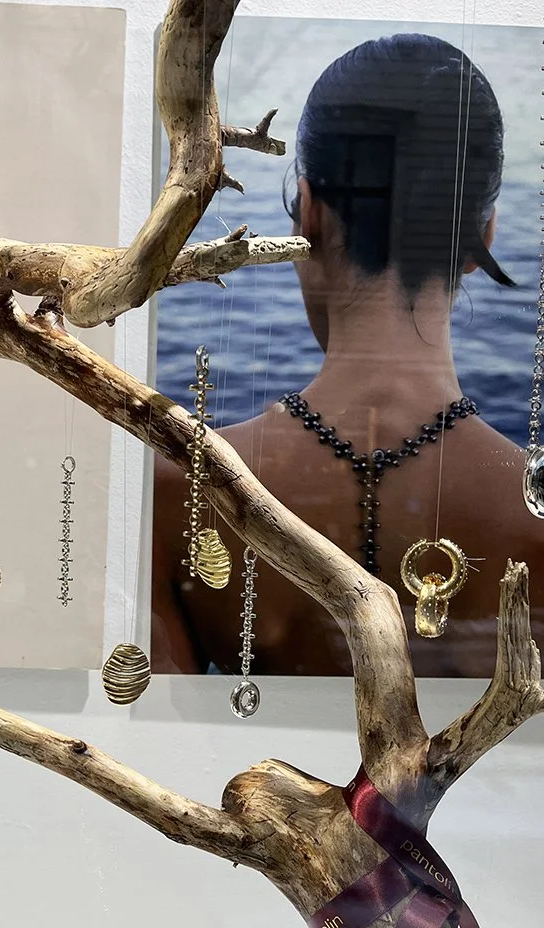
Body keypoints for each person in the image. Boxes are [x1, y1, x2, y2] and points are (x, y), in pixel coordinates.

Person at [152, 33, 544, 678]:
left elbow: (150, 728)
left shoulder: (182, 492)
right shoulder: (530, 517)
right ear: (484, 234)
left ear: (309, 214)